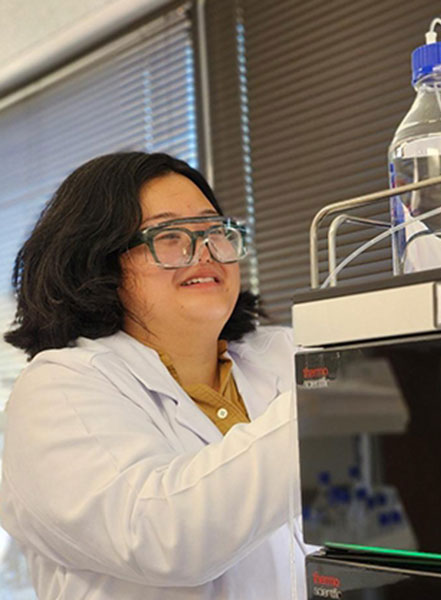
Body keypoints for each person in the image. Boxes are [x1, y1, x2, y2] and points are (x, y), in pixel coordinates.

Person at [0, 152, 311, 599]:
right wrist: (324, 406)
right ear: (99, 261)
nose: (204, 251)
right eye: (168, 235)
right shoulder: (57, 388)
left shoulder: (283, 354)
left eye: (215, 231)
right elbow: (163, 536)